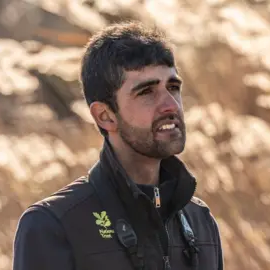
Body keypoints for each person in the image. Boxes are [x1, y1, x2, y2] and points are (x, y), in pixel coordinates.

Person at [12, 21, 224, 270]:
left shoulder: (200, 221)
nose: (171, 105)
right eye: (146, 92)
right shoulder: (53, 225)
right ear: (105, 116)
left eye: (173, 87)